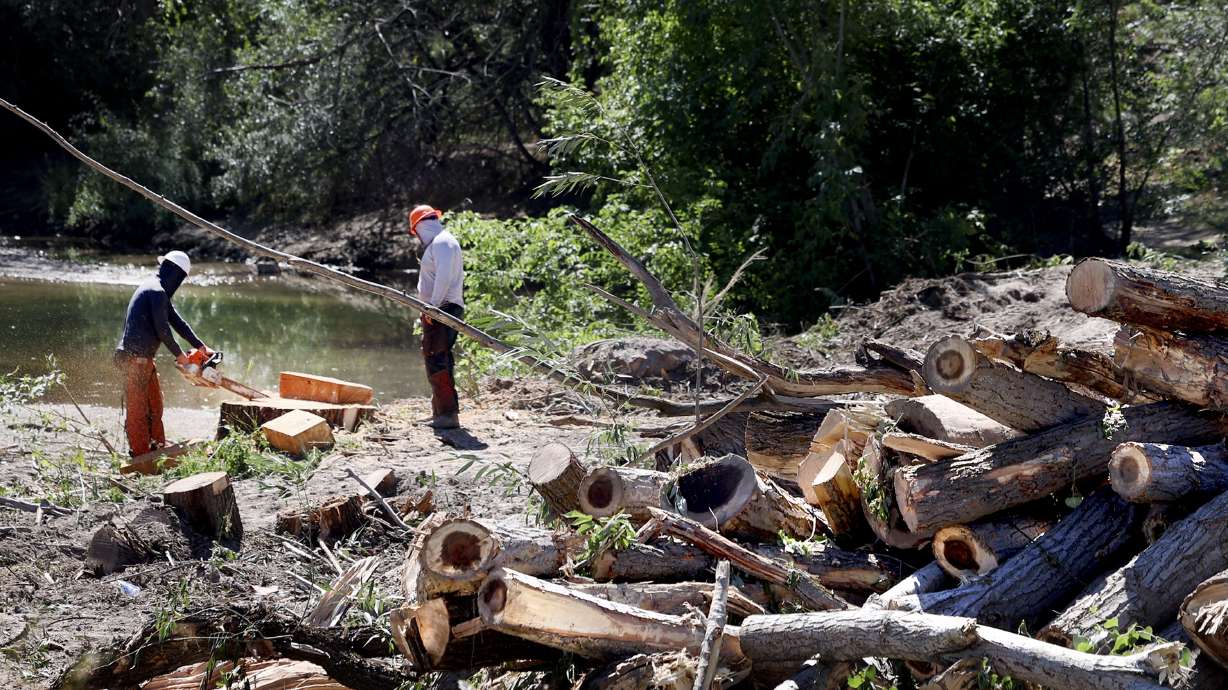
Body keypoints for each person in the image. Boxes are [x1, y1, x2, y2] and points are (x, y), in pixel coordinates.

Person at [113, 250, 207, 456]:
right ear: (174, 273)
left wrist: (201, 346)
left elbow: (177, 322)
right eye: (180, 278)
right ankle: (141, 456)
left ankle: (157, 447)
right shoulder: (155, 291)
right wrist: (182, 357)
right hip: (134, 358)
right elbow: (162, 329)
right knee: (139, 411)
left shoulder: (157, 291)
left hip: (144, 359)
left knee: (155, 406)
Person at [408, 204, 465, 429]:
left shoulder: (442, 243)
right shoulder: (443, 242)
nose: (418, 237)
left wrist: (432, 308)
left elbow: (443, 278)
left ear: (421, 225)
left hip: (443, 308)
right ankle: (441, 412)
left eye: (416, 231)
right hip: (441, 308)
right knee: (437, 358)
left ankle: (447, 415)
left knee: (437, 360)